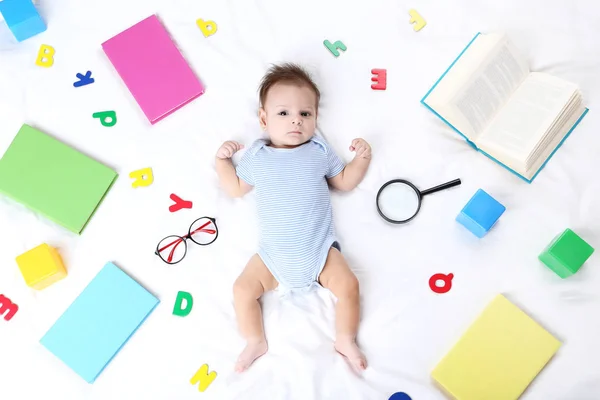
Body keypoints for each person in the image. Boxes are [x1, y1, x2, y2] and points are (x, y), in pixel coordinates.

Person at [215, 63, 371, 373]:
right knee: (242, 290)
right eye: (284, 113)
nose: (296, 121)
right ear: (264, 119)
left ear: (315, 118)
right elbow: (234, 188)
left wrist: (361, 159)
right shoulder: (257, 156)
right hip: (273, 258)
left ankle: (345, 338)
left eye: (306, 114)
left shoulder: (318, 150)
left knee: (349, 285)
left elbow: (343, 182)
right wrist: (222, 161)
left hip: (319, 252)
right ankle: (254, 340)